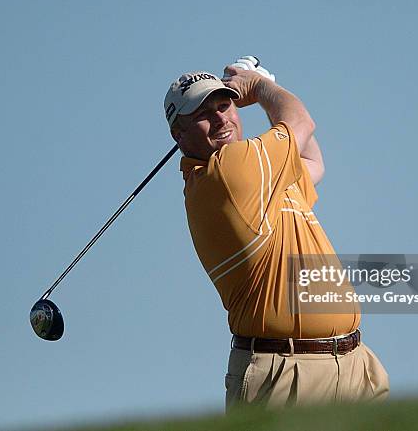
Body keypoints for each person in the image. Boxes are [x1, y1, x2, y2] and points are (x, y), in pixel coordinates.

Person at [163, 62, 389, 410]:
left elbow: (312, 160)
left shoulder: (257, 175)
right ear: (179, 135)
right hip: (284, 371)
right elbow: (301, 123)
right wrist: (261, 88)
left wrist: (266, 88)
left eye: (224, 105)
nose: (221, 119)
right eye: (202, 115)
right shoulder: (228, 172)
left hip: (353, 362)